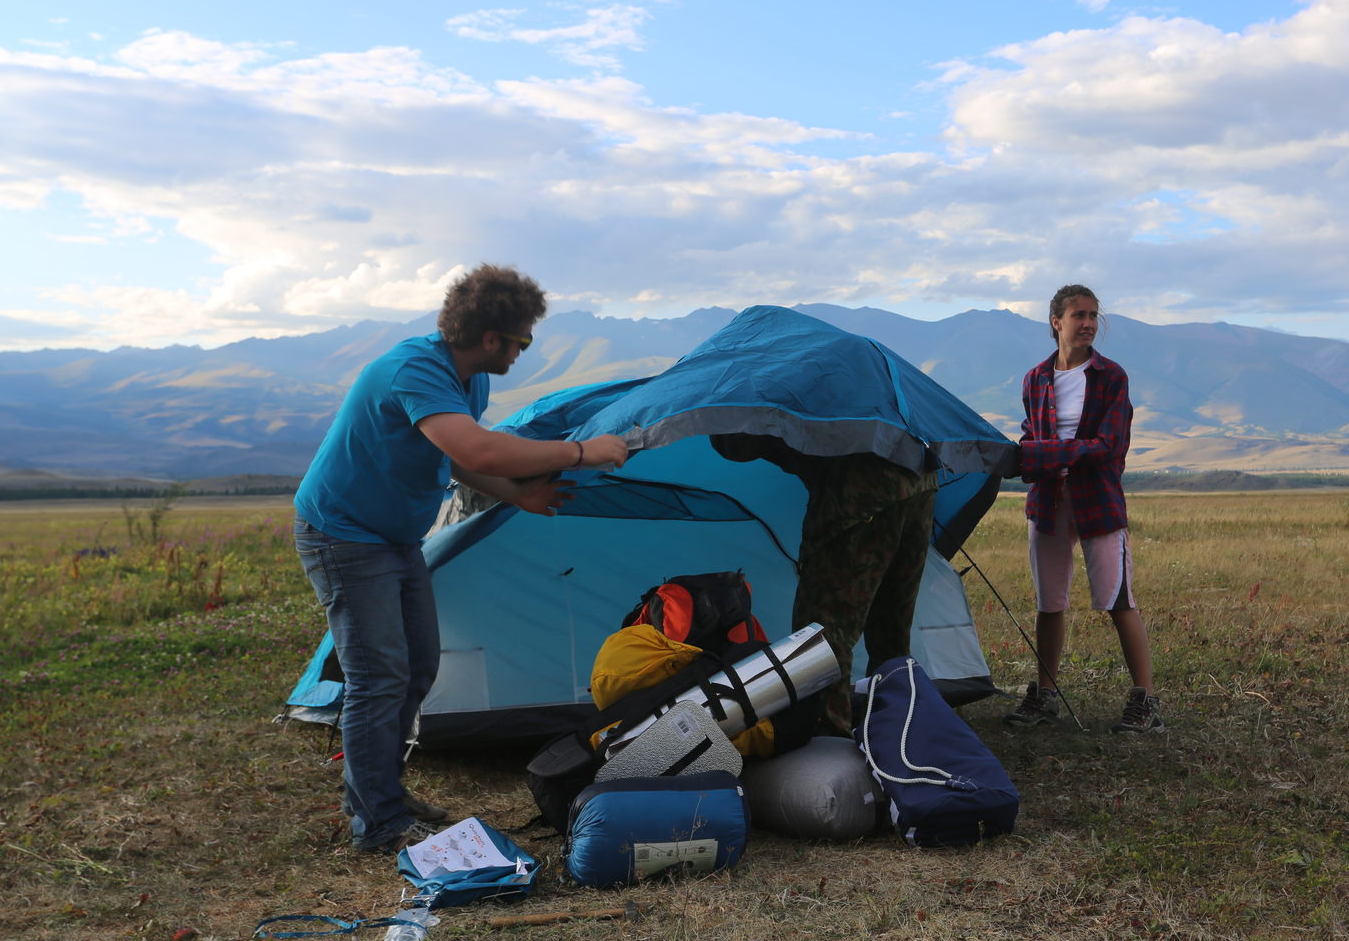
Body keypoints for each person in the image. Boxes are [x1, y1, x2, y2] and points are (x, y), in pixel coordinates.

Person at [293, 264, 629, 852]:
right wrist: (582, 452)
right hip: (343, 534)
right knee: (379, 676)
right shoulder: (416, 367)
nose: (525, 350)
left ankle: (379, 794)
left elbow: (453, 455)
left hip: (394, 538)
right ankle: (378, 822)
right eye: (524, 339)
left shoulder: (467, 379)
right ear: (493, 337)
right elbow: (476, 446)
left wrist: (519, 494)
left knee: (418, 665)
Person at [1003, 284, 1162, 734]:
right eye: (1079, 315)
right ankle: (1044, 696)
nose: (1089, 323)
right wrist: (1037, 453)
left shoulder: (1112, 377)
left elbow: (1110, 447)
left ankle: (1145, 702)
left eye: (1094, 315)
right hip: (1048, 504)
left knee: (1118, 599)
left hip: (1098, 500)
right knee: (1049, 602)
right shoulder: (1035, 379)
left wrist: (1047, 456)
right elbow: (1031, 437)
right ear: (1057, 322)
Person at [711, 435, 937, 738]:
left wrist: (720, 421)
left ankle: (829, 739)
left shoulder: (774, 390)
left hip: (859, 492)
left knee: (821, 633)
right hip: (917, 472)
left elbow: (737, 446)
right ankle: (900, 732)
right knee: (891, 623)